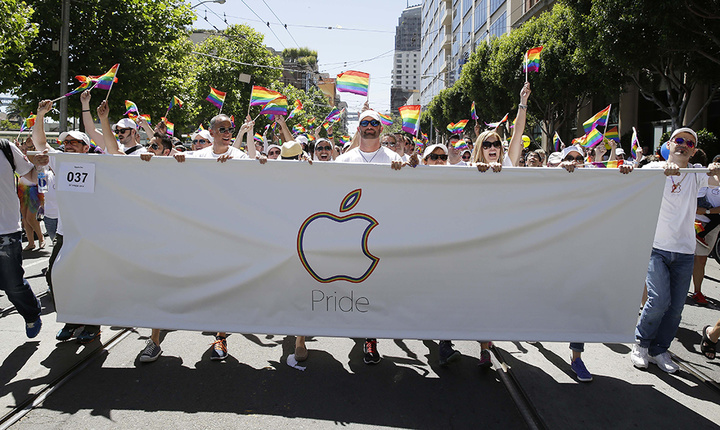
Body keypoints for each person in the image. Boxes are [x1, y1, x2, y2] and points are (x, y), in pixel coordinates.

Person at [631, 127, 720, 374]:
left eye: (689, 143)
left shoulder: (697, 173)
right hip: (656, 248)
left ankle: (660, 349)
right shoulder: (653, 169)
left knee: (676, 307)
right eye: (679, 140)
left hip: (684, 251)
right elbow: (630, 175)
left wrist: (715, 172)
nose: (683, 144)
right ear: (669, 145)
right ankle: (641, 344)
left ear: (693, 151)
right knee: (658, 300)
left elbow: (714, 180)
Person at [335, 109, 407, 364]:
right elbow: (326, 190)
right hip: (350, 234)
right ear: (358, 128)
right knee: (354, 286)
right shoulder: (344, 160)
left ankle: (370, 338)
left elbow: (409, 191)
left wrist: (407, 167)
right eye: (364, 123)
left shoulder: (394, 158)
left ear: (380, 128)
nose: (368, 127)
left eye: (373, 123)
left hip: (382, 234)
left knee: (375, 287)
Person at [33, 99, 103, 343]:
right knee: (57, 275)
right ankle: (73, 320)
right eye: (66, 142)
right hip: (65, 232)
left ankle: (93, 324)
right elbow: (40, 142)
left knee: (89, 277)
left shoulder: (100, 164)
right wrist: (41, 114)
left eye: (75, 142)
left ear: (86, 147)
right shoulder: (59, 162)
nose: (69, 145)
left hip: (91, 234)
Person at [0, 138, 43, 338]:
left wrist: (39, 164)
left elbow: (31, 177)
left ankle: (32, 313)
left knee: (13, 284)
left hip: (5, 230)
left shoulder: (6, 148)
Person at [16, 137, 45, 251]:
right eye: (22, 148)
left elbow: (33, 163)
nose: (24, 150)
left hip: (35, 189)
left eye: (26, 148)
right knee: (24, 219)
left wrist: (29, 148)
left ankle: (41, 238)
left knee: (30, 218)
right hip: (22, 189)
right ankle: (31, 242)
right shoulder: (19, 158)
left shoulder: (34, 156)